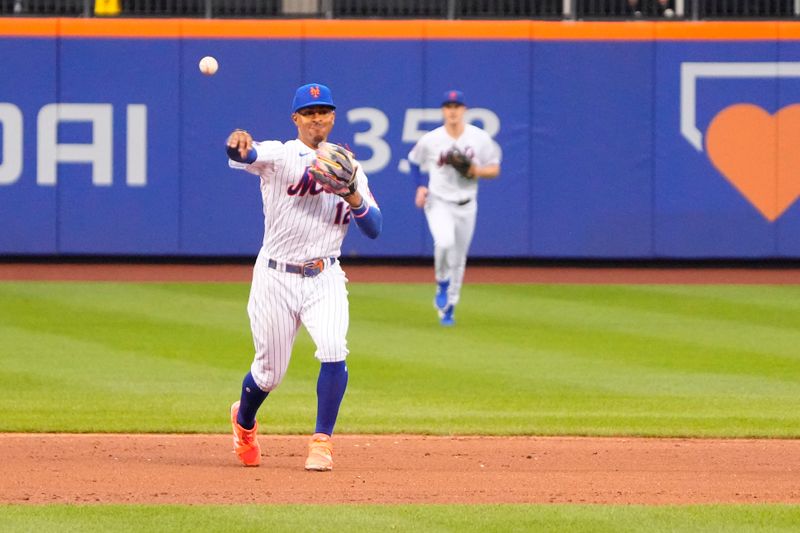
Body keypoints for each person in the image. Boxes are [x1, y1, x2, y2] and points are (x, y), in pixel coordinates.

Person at [225, 83, 382, 471]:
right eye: (309, 113)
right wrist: (238, 145)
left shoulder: (348, 166)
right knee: (268, 374)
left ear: (332, 117)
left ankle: (321, 443)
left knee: (333, 349)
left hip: (324, 274)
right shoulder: (281, 155)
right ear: (296, 119)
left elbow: (375, 227)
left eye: (324, 111)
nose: (317, 118)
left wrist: (353, 195)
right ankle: (244, 423)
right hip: (275, 276)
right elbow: (245, 153)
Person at [407, 89, 501, 327]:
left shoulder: (479, 138)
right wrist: (420, 187)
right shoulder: (432, 139)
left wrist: (475, 171)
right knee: (444, 242)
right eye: (448, 107)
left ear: (464, 110)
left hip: (467, 204)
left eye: (456, 106)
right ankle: (441, 281)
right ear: (443, 111)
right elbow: (414, 161)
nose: (452, 111)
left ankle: (449, 308)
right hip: (438, 201)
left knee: (458, 260)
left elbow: (494, 167)